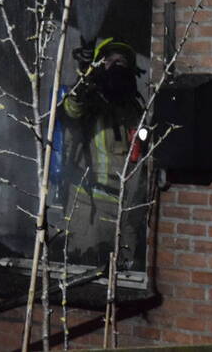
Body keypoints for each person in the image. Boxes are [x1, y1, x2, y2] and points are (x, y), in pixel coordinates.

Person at [59, 37, 146, 267]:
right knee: (84, 278)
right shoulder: (89, 101)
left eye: (122, 61)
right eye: (110, 60)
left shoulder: (135, 110)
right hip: (89, 211)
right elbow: (71, 109)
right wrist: (85, 77)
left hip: (125, 215)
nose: (117, 65)